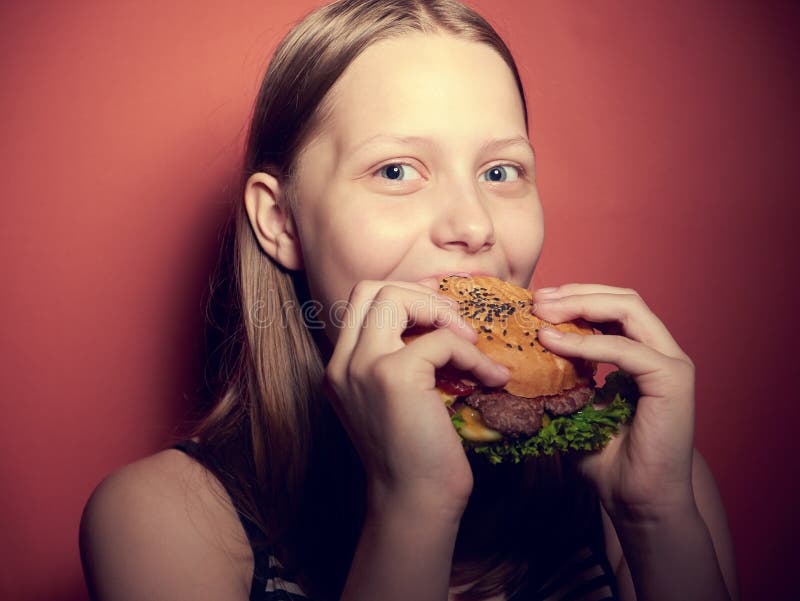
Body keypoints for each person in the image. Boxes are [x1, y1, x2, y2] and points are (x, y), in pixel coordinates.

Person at [79, 1, 740, 600]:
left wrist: (656, 520)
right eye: (397, 170)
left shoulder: (641, 481)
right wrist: (413, 504)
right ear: (280, 221)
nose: (474, 225)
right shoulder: (161, 522)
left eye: (500, 171)